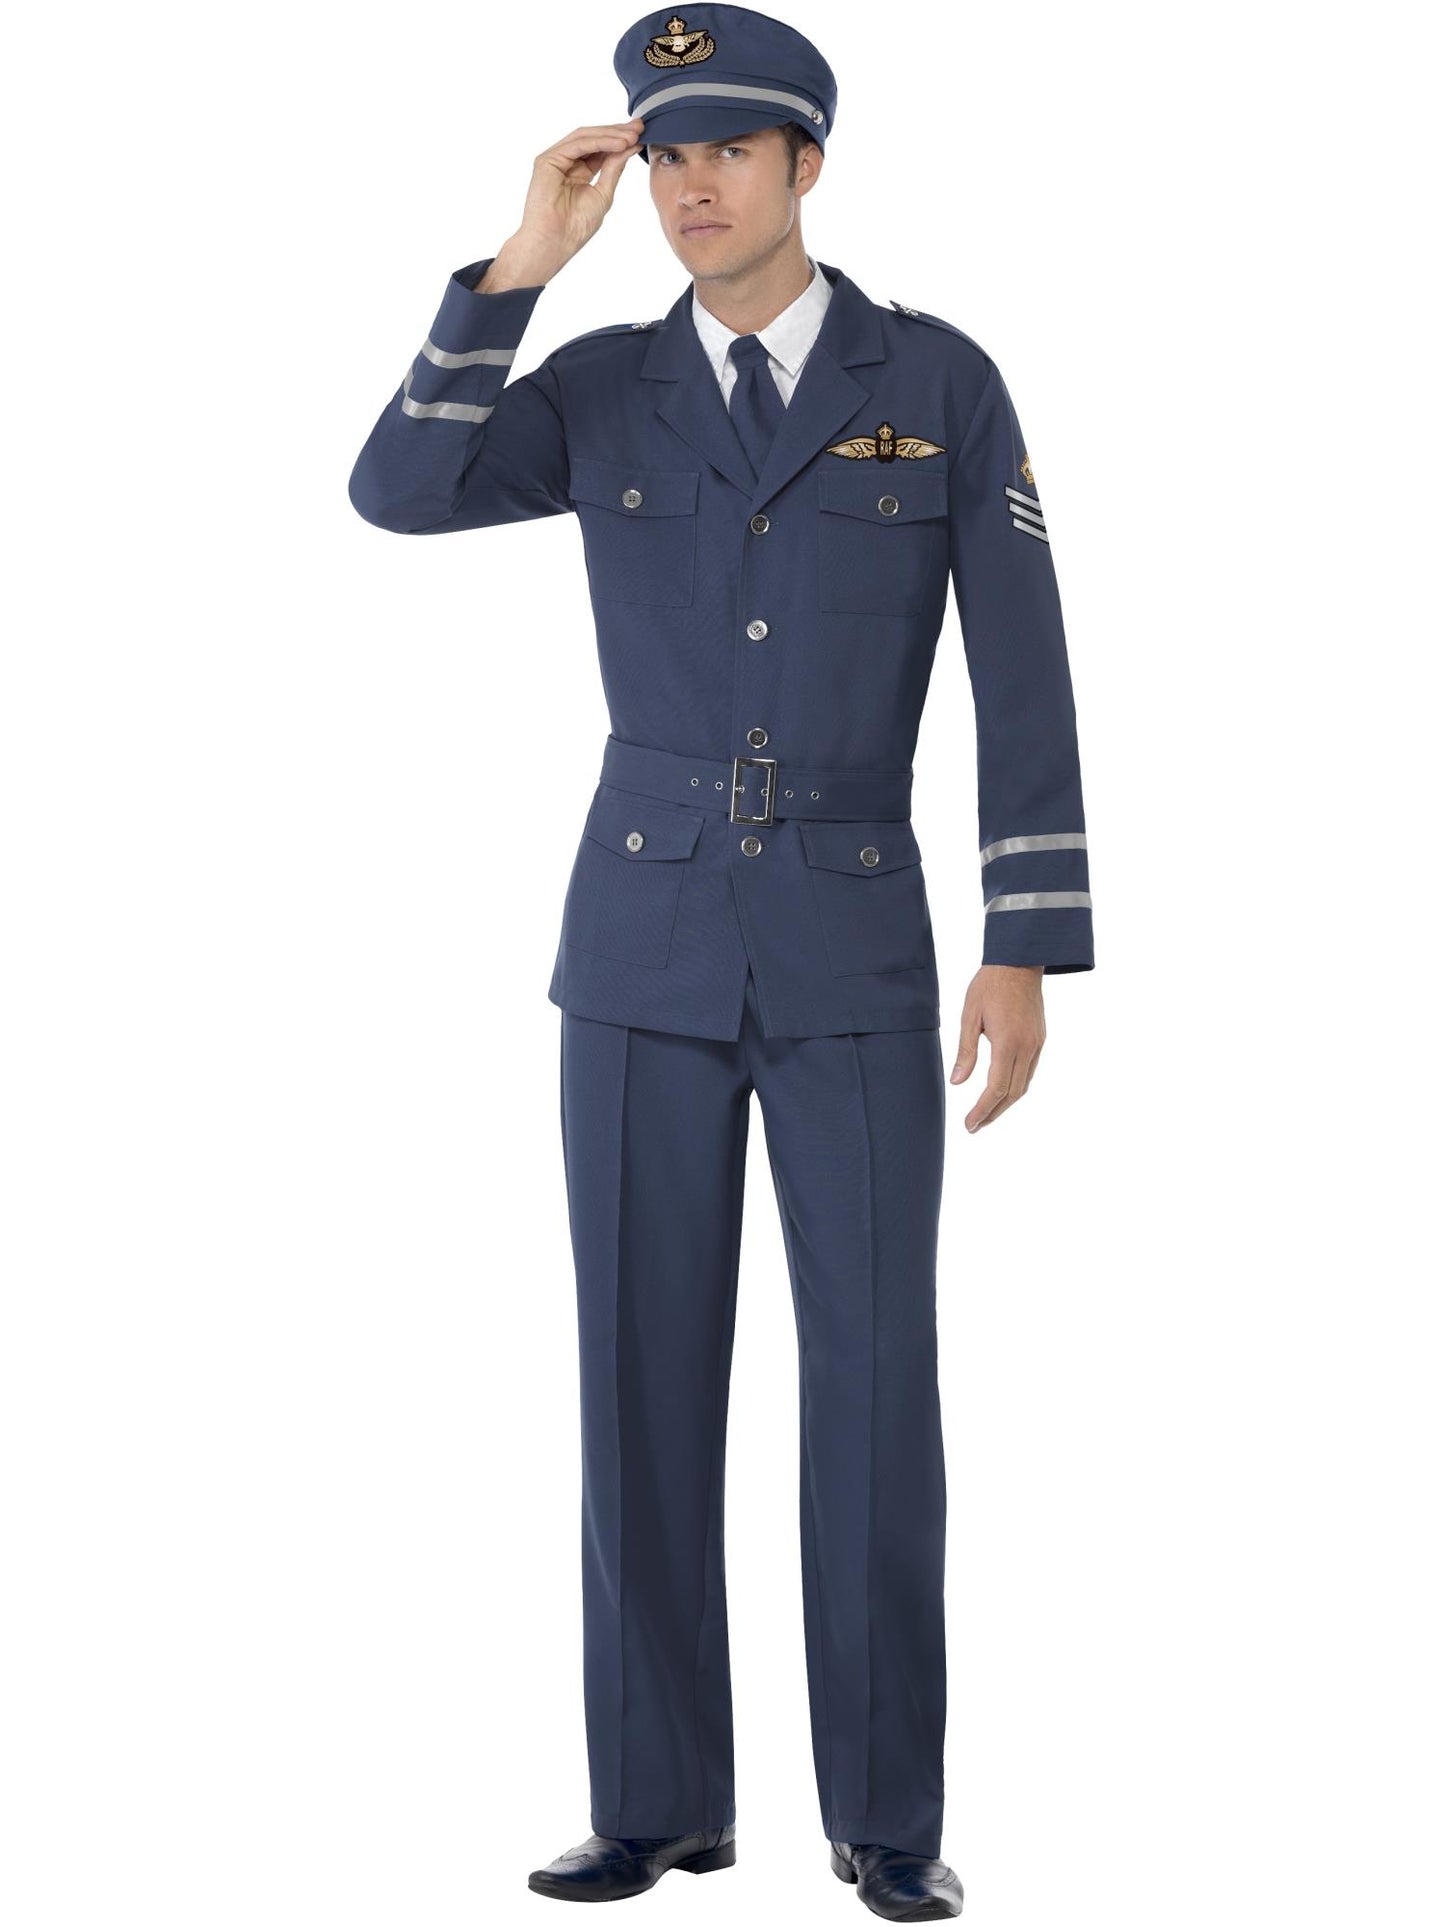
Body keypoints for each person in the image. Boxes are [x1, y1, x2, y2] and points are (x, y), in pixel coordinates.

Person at [348, 5, 1093, 1916]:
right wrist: (518, 266)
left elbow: (1020, 663)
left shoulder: (934, 380)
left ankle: (888, 1824)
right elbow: (396, 492)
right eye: (664, 155)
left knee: (875, 1387)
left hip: (854, 944)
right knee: (637, 1378)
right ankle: (656, 1801)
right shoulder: (601, 386)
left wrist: (1024, 943)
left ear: (805, 166)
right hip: (640, 945)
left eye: (728, 152)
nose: (689, 187)